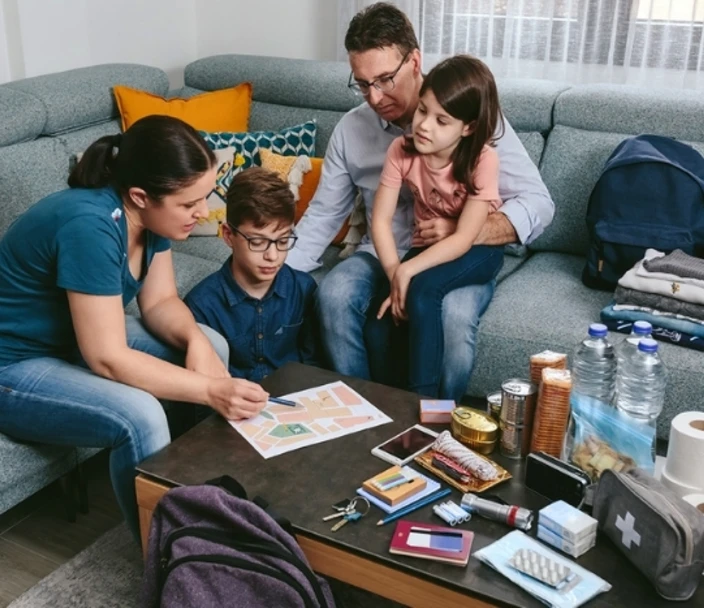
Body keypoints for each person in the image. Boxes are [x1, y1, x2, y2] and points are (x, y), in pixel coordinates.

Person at [0, 115, 270, 542]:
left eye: (204, 196)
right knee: (139, 416)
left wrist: (197, 341)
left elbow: (160, 302)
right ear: (141, 196)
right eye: (188, 204)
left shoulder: (150, 220)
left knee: (211, 344)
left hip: (70, 340)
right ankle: (161, 557)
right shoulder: (89, 226)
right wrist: (209, 390)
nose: (202, 213)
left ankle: (205, 495)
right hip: (14, 366)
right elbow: (106, 357)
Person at [286, 2, 554, 400]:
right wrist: (272, 272)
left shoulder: (470, 116)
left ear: (414, 61)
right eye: (362, 83)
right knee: (335, 294)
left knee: (454, 317)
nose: (374, 97)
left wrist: (466, 230)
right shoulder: (353, 131)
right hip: (382, 253)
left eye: (385, 79)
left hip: (455, 253)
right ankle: (364, 413)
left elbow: (538, 202)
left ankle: (437, 427)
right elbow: (324, 214)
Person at [370, 55, 505, 397]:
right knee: (383, 317)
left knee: (425, 290)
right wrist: (394, 273)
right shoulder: (401, 150)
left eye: (442, 120)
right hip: (427, 246)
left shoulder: (482, 160)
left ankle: (426, 407)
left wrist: (408, 272)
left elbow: (462, 239)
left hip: (478, 249)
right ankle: (393, 403)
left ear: (468, 127)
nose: (425, 125)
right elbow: (381, 221)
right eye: (422, 111)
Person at [185, 167, 320, 380]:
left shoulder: (303, 289)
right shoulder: (201, 305)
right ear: (228, 235)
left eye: (283, 241)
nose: (273, 255)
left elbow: (314, 367)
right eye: (258, 242)